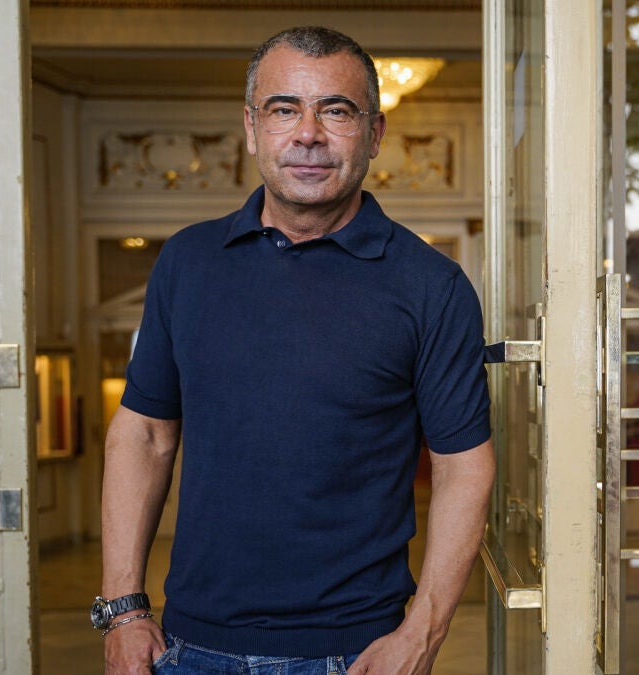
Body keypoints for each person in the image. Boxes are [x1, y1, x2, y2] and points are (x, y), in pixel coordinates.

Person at [98, 26, 494, 675]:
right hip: (189, 647)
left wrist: (422, 634)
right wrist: (122, 609)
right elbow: (143, 433)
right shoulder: (188, 262)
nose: (308, 134)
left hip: (355, 654)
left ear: (374, 133)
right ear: (252, 128)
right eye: (284, 109)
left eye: (336, 111)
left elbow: (463, 468)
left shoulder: (431, 286)